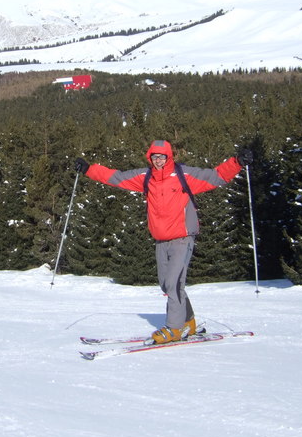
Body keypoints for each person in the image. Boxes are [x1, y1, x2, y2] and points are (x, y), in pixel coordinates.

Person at [74, 140, 253, 344]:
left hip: (182, 237)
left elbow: (216, 176)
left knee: (174, 283)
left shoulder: (184, 175)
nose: (158, 161)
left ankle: (174, 328)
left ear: (169, 157)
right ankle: (189, 321)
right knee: (166, 285)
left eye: (162, 157)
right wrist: (89, 169)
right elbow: (116, 177)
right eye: (155, 157)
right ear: (150, 158)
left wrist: (238, 162)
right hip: (160, 239)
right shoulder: (146, 177)